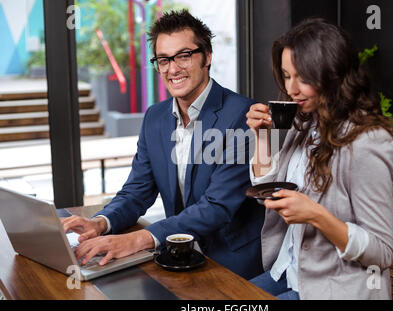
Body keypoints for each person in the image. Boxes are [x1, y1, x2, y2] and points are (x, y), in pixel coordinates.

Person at [62, 9, 265, 280]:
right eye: (163, 59)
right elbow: (137, 190)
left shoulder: (241, 114)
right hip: (176, 258)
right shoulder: (155, 117)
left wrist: (138, 240)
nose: (172, 68)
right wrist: (101, 222)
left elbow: (217, 207)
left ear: (207, 57)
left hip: (230, 263)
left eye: (184, 56)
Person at [246, 17, 393, 299]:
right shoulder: (306, 121)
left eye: (302, 77)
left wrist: (316, 216)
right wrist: (262, 136)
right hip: (288, 271)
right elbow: (269, 184)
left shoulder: (368, 141)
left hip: (331, 288)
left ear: (331, 74)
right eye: (286, 75)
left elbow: (382, 252)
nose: (291, 89)